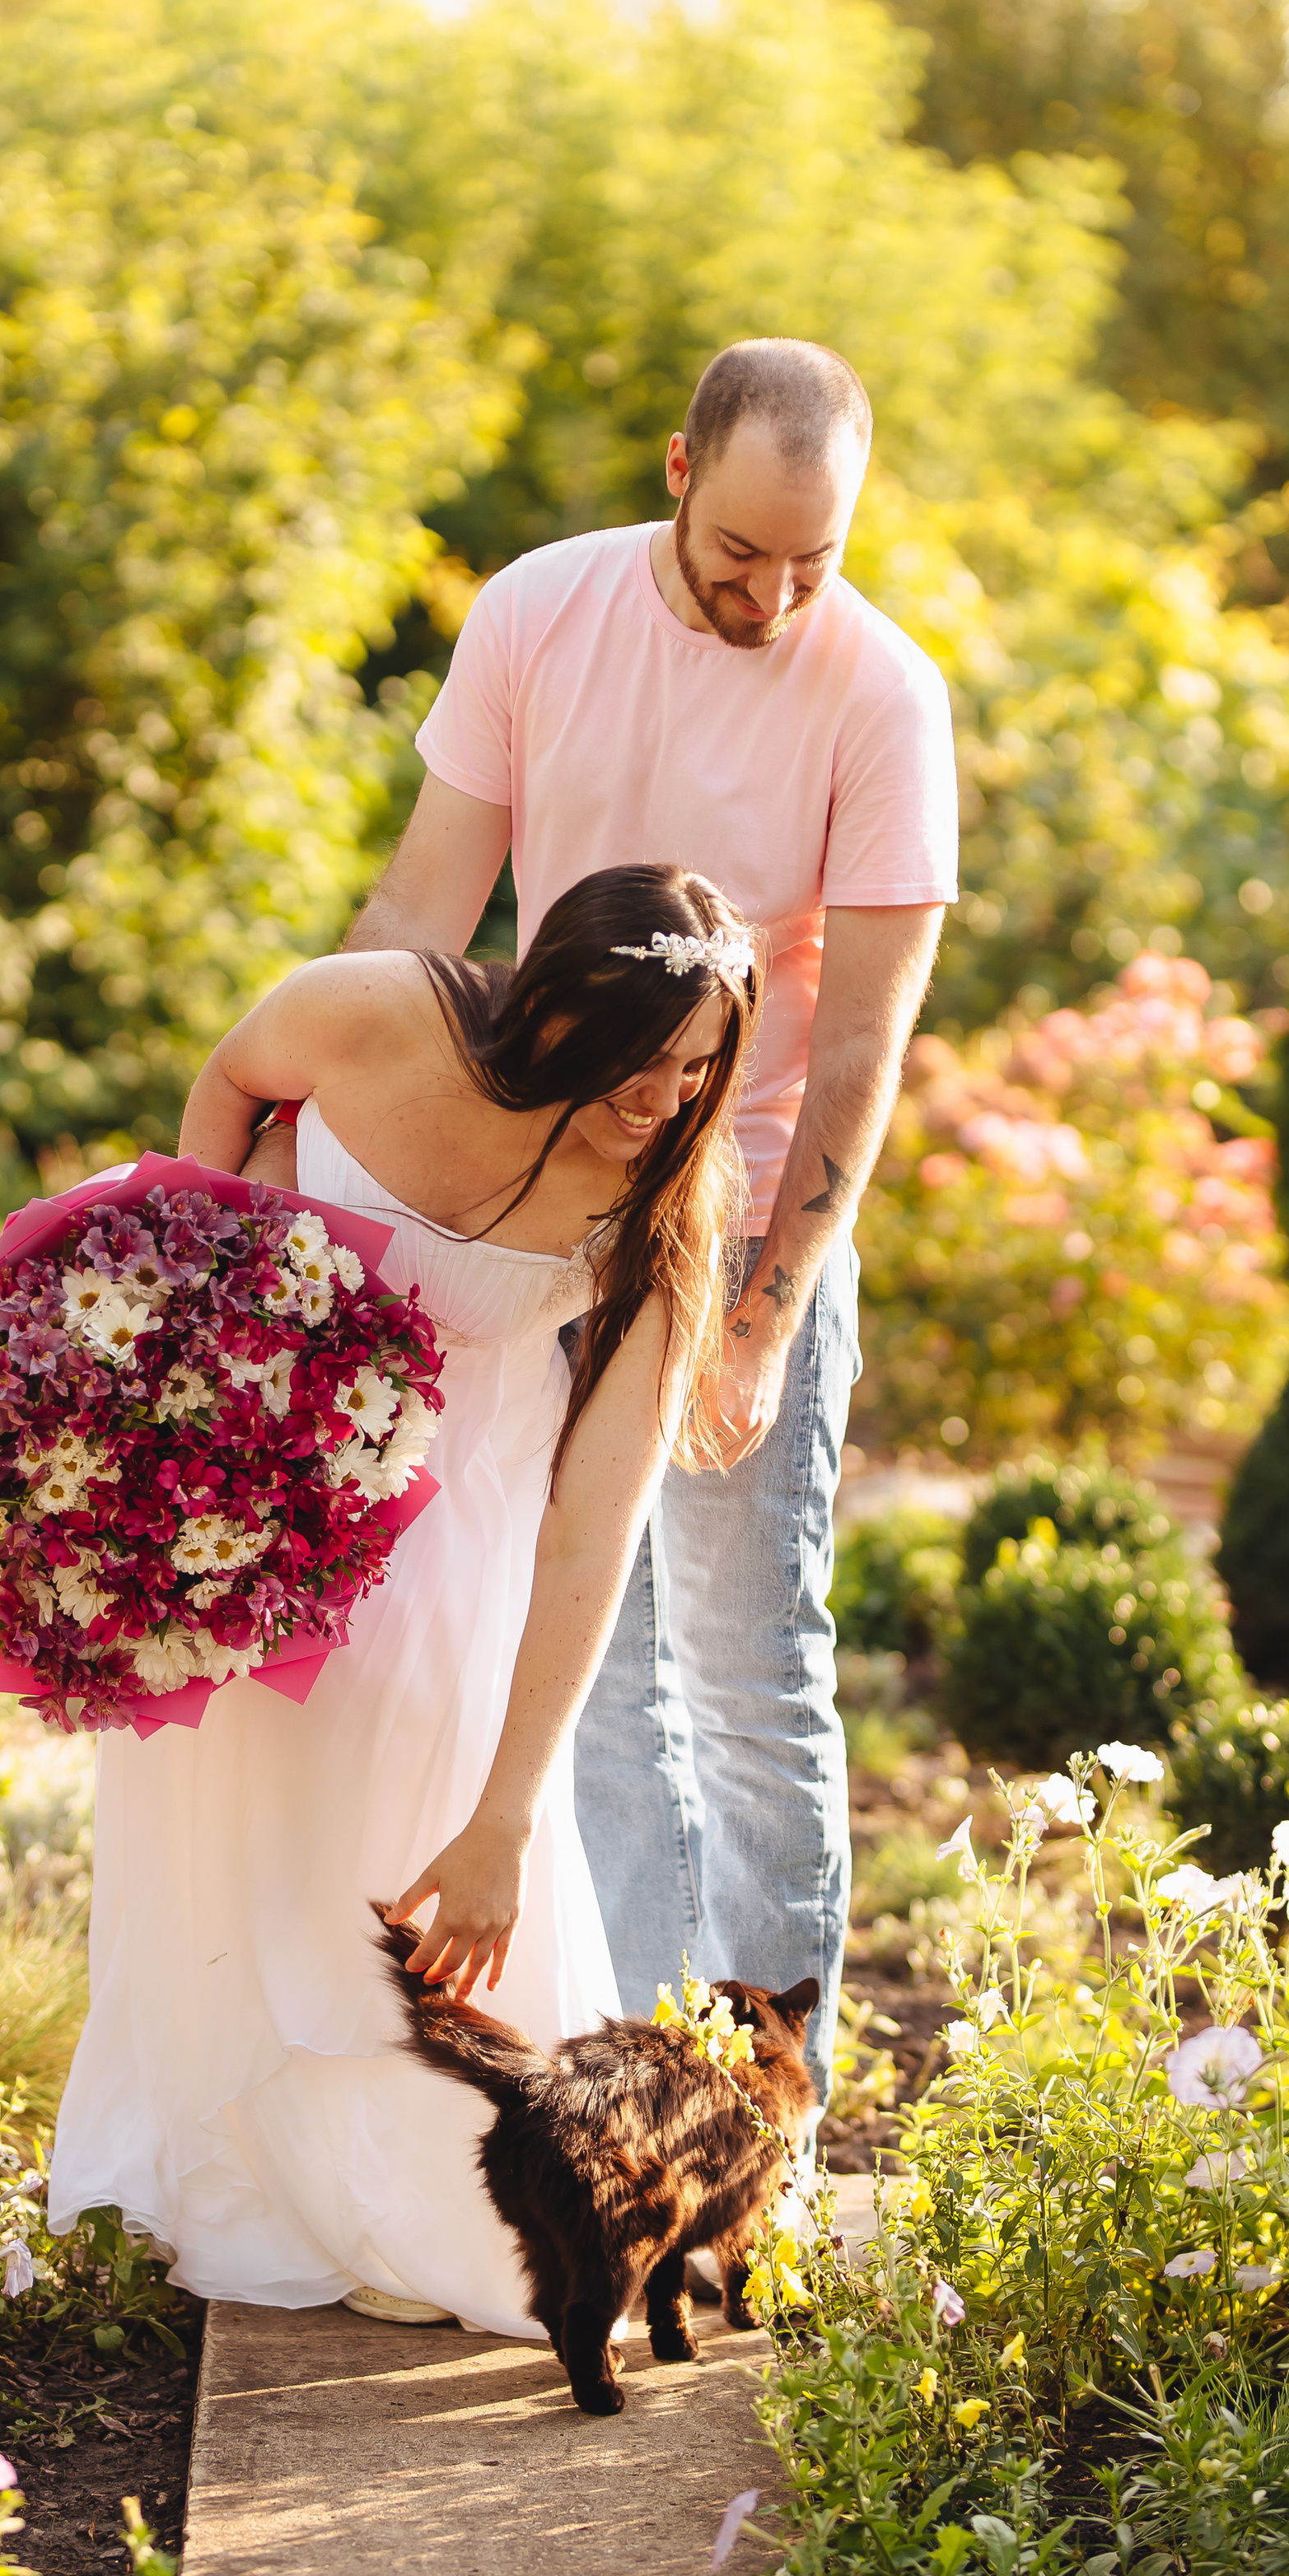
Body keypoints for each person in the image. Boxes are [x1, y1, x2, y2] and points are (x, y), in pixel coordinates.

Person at [333, 337, 959, 2100]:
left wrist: (765, 1314)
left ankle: (762, 2116)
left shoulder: (881, 695)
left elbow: (858, 1045)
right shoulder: (538, 611)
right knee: (591, 1667)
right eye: (740, 554)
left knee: (750, 1678)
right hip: (543, 1198)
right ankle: (645, 2091)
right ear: (677, 472)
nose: (771, 597)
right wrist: (348, 1175)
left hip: (746, 1210)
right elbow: (420, 911)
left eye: (811, 565)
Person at [46, 863, 763, 2335]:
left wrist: (510, 1808)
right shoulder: (372, 1012)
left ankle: (411, 2201)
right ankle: (222, 2180)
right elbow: (231, 1085)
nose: (666, 1103)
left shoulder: (664, 1204)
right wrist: (214, 1295)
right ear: (551, 1001)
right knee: (216, 1805)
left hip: (458, 1525)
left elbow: (592, 1528)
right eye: (642, 1064)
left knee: (399, 1788)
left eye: (698, 1071)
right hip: (243, 1485)